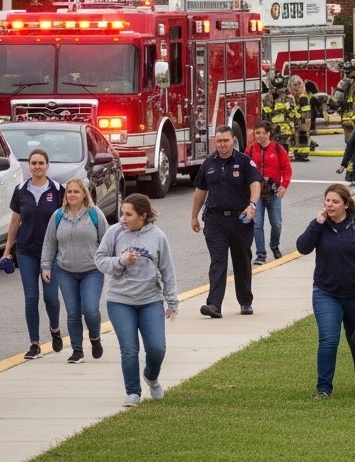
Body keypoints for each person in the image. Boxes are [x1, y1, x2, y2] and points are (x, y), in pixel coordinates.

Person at [297, 184, 355, 398]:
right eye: (327, 200)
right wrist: (316, 224)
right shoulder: (319, 225)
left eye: (335, 201)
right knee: (329, 339)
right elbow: (303, 247)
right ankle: (324, 388)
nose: (329, 205)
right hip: (326, 293)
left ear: (346, 205)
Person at [97, 194, 178, 407]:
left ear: (143, 216)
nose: (123, 218)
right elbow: (100, 260)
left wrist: (172, 300)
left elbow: (167, 269)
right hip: (120, 300)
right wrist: (120, 261)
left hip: (150, 300)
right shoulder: (114, 233)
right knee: (129, 349)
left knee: (157, 348)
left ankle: (151, 376)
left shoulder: (157, 236)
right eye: (122, 213)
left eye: (128, 214)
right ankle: (133, 392)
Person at [190, 125, 262, 318]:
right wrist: (194, 216)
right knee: (218, 261)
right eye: (219, 141)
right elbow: (200, 191)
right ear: (214, 141)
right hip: (215, 219)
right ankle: (214, 305)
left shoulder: (244, 162)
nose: (222, 145)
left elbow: (255, 183)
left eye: (226, 141)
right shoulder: (208, 163)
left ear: (233, 141)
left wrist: (252, 205)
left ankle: (245, 301)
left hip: (240, 219)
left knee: (242, 260)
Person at [5, 149, 65, 358]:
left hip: (51, 252)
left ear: (47, 165)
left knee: (51, 299)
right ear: (28, 165)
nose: (37, 167)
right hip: (26, 251)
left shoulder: (58, 190)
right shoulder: (21, 190)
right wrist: (7, 250)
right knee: (31, 298)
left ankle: (55, 329)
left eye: (41, 163)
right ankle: (34, 344)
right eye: (33, 163)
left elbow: (65, 219)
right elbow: (15, 221)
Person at [40, 178, 108, 364]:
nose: (72, 195)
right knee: (73, 312)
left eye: (76, 191)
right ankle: (77, 350)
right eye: (69, 191)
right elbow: (49, 243)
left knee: (90, 310)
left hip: (92, 270)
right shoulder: (58, 216)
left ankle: (95, 337)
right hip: (65, 271)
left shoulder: (95, 214)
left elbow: (107, 241)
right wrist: (46, 266)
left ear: (84, 194)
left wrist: (110, 264)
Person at [244, 121, 292, 264]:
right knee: (257, 224)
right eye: (256, 133)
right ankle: (261, 254)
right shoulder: (250, 150)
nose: (258, 136)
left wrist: (284, 185)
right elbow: (244, 169)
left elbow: (287, 169)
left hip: (273, 192)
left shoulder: (278, 149)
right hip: (256, 193)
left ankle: (274, 245)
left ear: (268, 133)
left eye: (262, 133)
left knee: (276, 223)